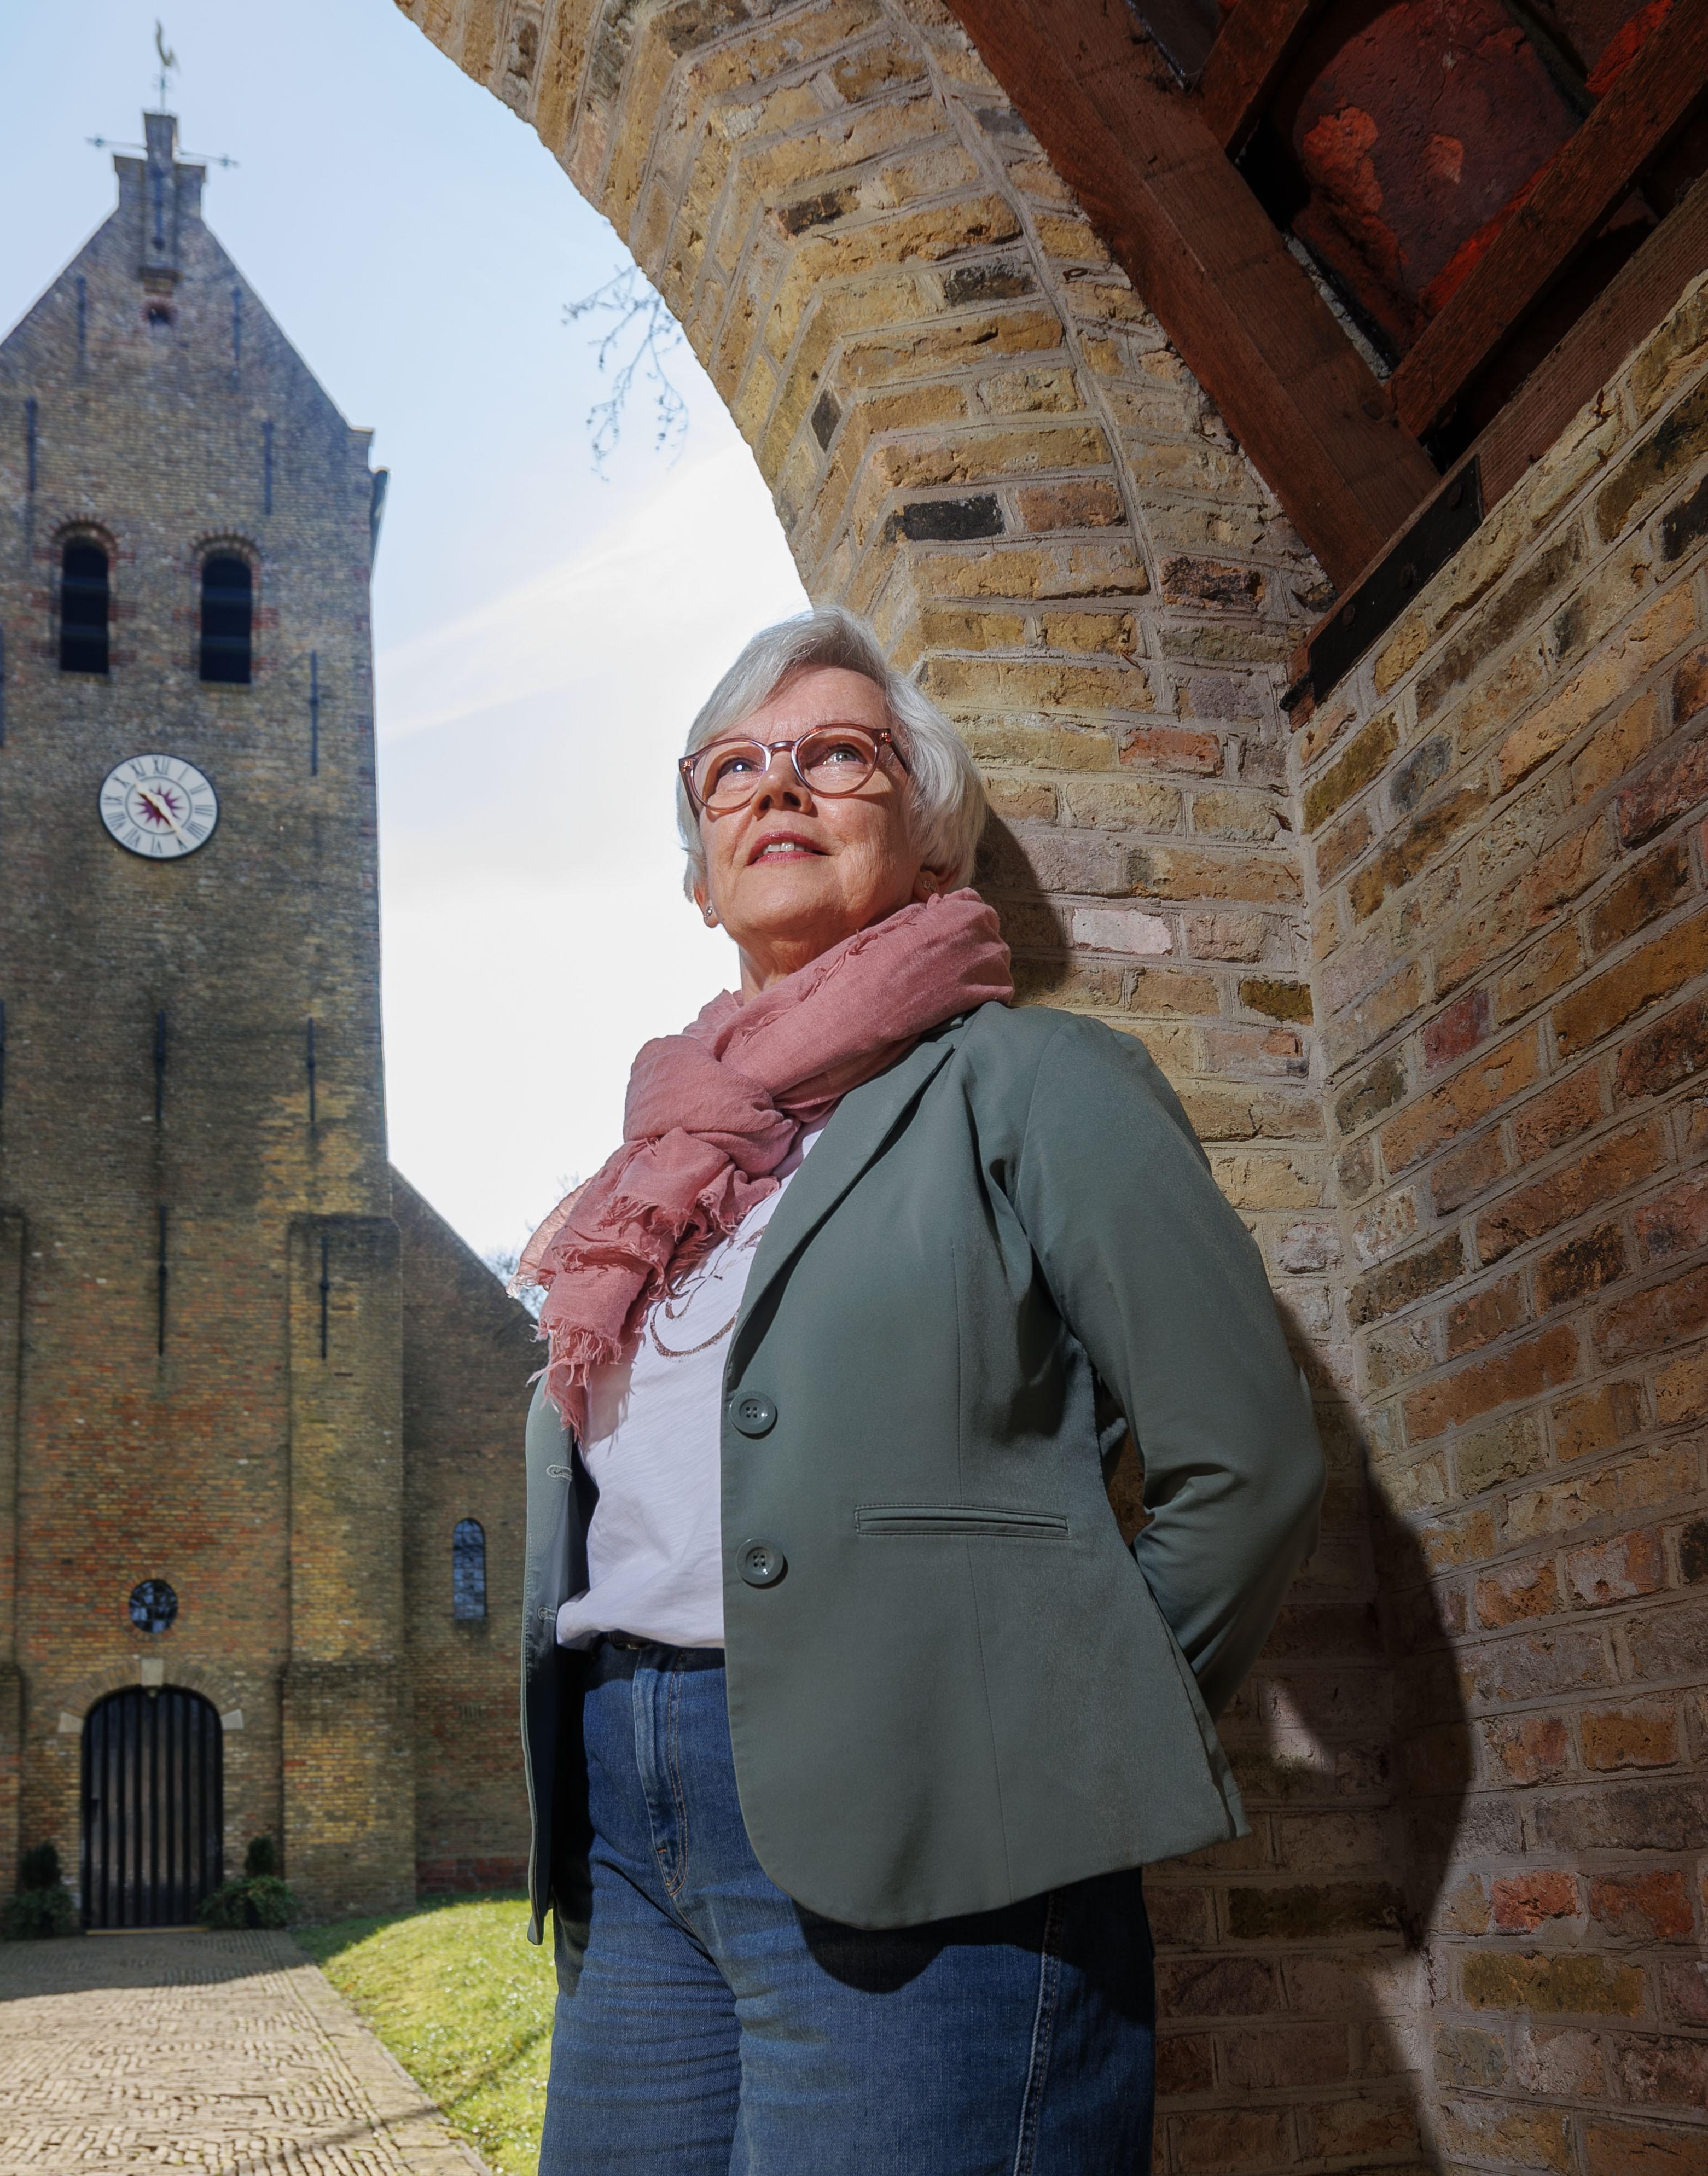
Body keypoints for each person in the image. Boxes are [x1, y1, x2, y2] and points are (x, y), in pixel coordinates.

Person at [514, 605, 1324, 2174]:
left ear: (931, 826)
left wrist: (1052, 1744)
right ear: (699, 869)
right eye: (734, 769)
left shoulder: (1029, 1085)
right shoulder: (649, 1174)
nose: (778, 789)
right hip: (634, 1841)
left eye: (838, 755)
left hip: (925, 1826)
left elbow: (1247, 1465)